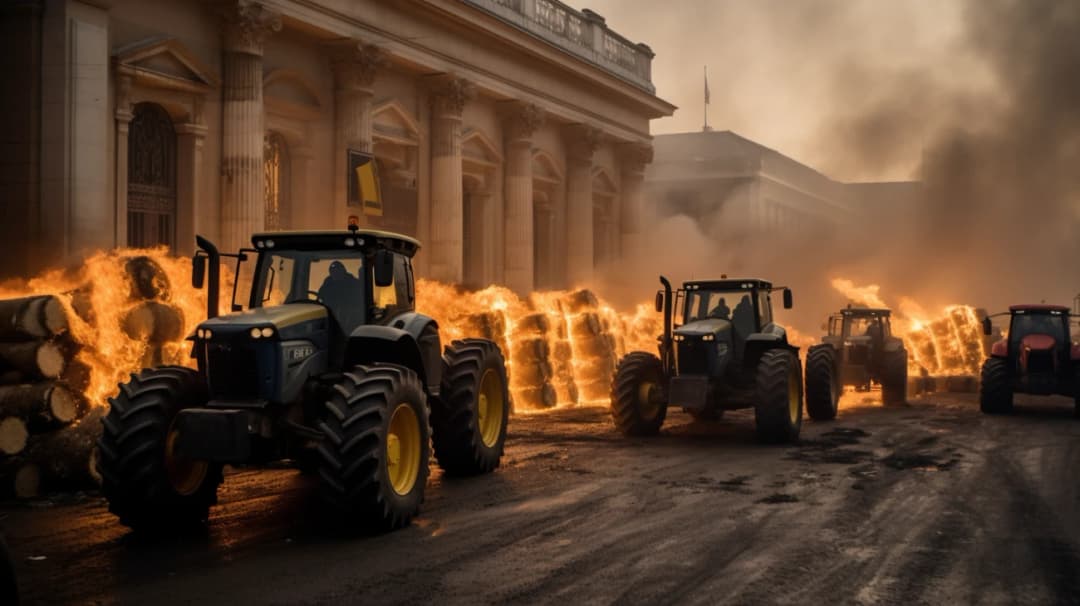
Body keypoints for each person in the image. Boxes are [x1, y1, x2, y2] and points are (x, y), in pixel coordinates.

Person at [318, 261, 363, 331]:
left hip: (350, 312)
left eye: (337, 271)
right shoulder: (328, 282)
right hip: (330, 311)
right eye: (333, 272)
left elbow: (358, 301)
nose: (335, 274)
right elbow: (320, 295)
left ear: (343, 271)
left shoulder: (353, 283)